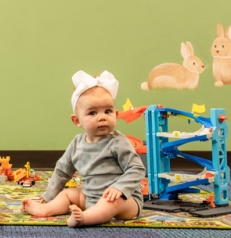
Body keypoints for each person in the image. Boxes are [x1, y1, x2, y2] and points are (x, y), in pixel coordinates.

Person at [22, 70, 145, 227]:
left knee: (111, 201)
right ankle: (46, 209)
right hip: (89, 196)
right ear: (77, 120)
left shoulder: (117, 142)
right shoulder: (77, 143)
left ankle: (86, 218)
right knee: (67, 194)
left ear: (116, 113)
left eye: (108, 111)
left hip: (125, 201)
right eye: (92, 113)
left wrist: (119, 188)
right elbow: (62, 170)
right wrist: (49, 195)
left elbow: (137, 168)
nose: (102, 117)